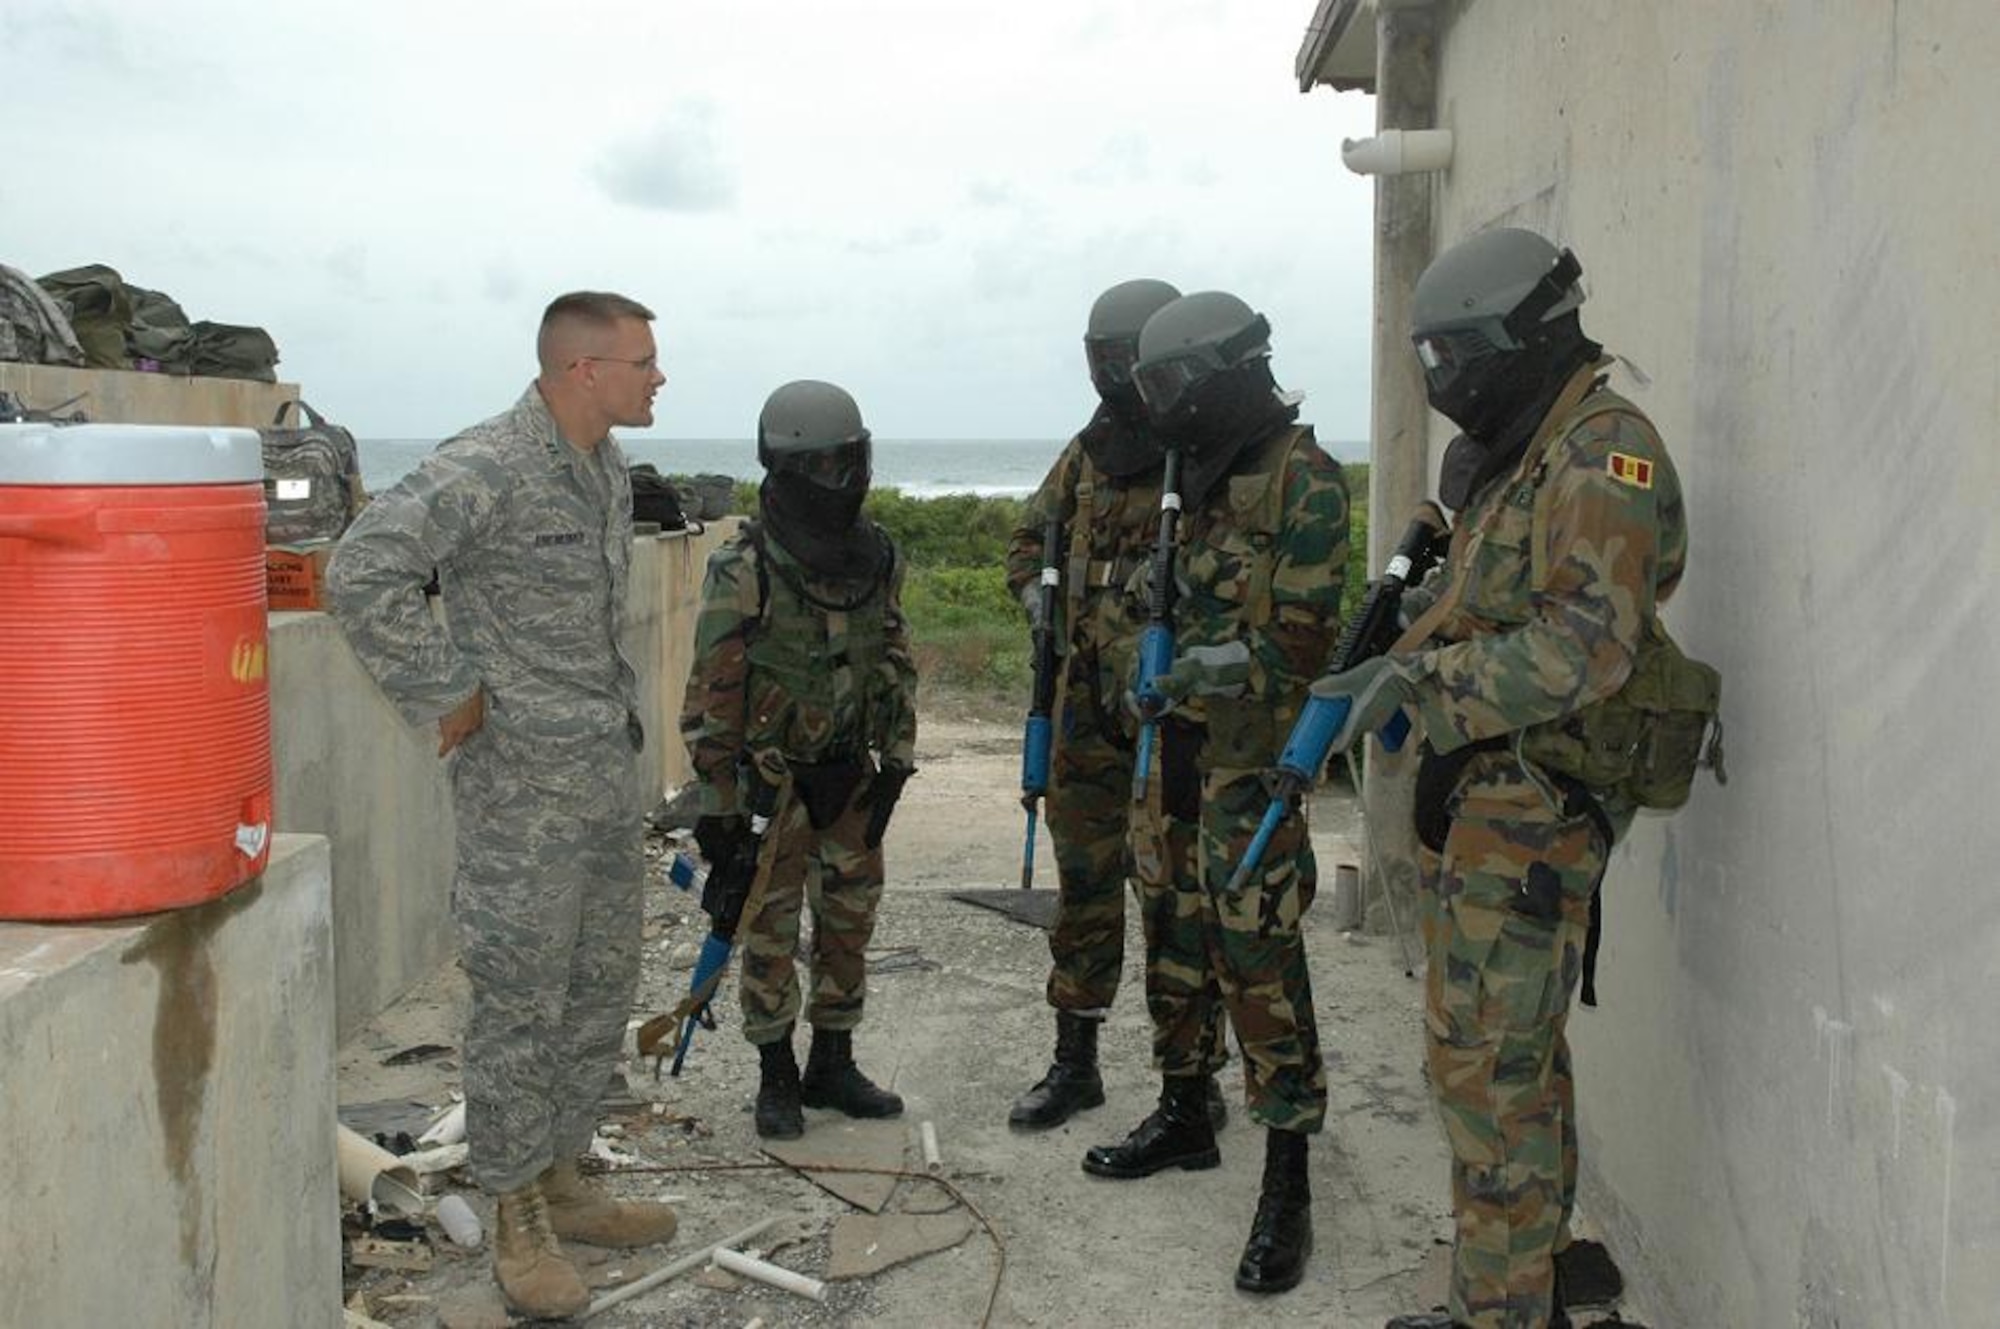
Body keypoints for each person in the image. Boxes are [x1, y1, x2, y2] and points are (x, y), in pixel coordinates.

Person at [1305, 229, 1685, 1329]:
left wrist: (1418, 691)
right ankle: (1525, 1286)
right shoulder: (1525, 445)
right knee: (1507, 1064)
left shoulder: (1601, 452)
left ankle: (1502, 1313)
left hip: (1537, 805)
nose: (1442, 383)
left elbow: (1586, 646)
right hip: (1492, 795)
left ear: (1524, 337)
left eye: (1454, 357)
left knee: (1486, 1076)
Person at [326, 291, 676, 1320]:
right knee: (519, 1002)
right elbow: (364, 568)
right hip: (519, 793)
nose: (659, 377)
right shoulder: (487, 464)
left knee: (594, 983)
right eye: (643, 361)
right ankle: (515, 1210)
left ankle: (565, 1173)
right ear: (583, 370)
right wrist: (445, 686)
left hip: (601, 780)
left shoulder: (603, 464)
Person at [1083, 291, 1349, 1295]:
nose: (1154, 406)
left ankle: (1287, 1178)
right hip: (1176, 762)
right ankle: (1185, 1110)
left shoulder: (1301, 478)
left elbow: (1300, 640)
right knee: (1174, 939)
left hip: (1251, 768)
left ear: (1215, 376)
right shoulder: (1181, 479)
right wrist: (1129, 660)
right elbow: (1133, 604)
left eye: (1166, 385)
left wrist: (1188, 671)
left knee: (1259, 961)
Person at [1002, 279, 1230, 1133]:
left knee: (1177, 897)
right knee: (1085, 884)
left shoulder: (1202, 454)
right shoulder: (1089, 452)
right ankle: (1076, 1060)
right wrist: (1038, 595)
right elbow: (1030, 540)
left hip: (1165, 716)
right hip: (1080, 709)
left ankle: (1192, 1070)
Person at [680, 379, 918, 1142]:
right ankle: (777, 1074)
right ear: (791, 469)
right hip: (772, 786)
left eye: (856, 460)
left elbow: (895, 657)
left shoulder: (876, 555)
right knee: (771, 930)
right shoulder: (744, 566)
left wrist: (898, 762)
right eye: (832, 465)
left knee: (849, 923)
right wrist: (718, 799)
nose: (849, 479)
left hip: (852, 775)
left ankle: (833, 1063)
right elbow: (715, 686)